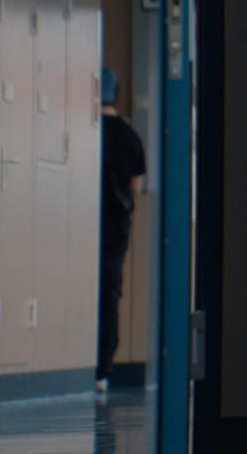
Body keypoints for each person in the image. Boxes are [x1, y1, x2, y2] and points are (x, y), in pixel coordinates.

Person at [97, 67, 145, 393]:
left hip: (86, 224)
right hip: (115, 228)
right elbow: (136, 188)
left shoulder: (86, 131)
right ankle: (103, 366)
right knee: (109, 293)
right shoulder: (129, 136)